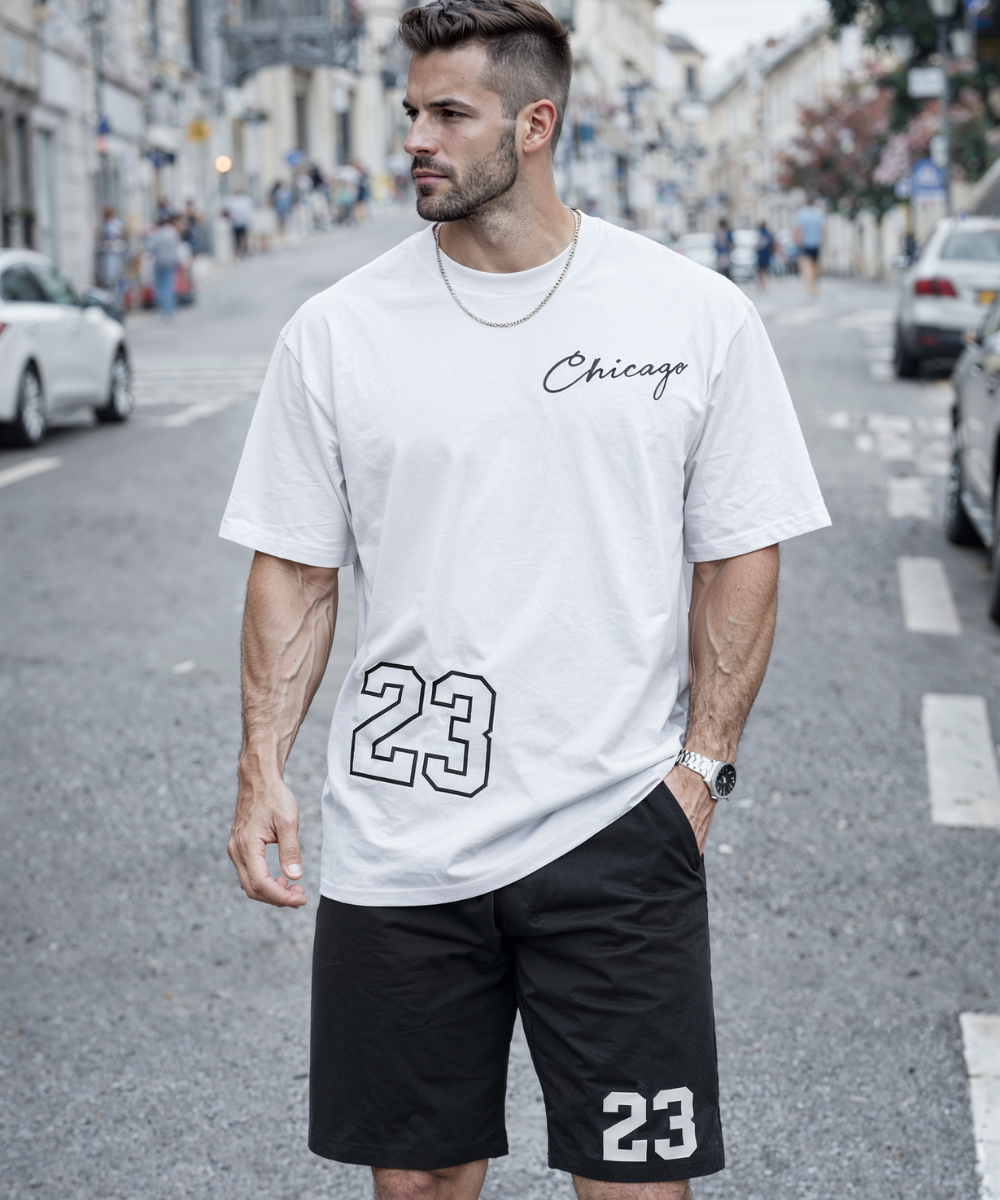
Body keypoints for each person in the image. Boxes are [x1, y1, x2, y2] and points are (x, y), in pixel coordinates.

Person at [220, 3, 831, 1199]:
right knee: (417, 1183)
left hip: (617, 825)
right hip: (402, 835)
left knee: (635, 1185)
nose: (415, 138)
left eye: (449, 113)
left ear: (534, 124)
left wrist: (701, 771)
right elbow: (294, 566)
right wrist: (261, 769)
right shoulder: (337, 332)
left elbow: (738, 552)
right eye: (410, 111)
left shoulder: (689, 314)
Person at [146, 212, 179, 320]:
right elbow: (177, 246)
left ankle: (163, 311)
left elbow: (150, 248)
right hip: (170, 262)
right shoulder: (172, 232)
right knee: (169, 286)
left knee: (161, 288)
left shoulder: (156, 234)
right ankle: (170, 310)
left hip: (159, 262)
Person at [793, 195, 825, 296]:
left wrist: (796, 241)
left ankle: (810, 287)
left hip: (805, 243)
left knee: (806, 266)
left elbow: (799, 229)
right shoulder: (819, 213)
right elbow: (823, 229)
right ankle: (814, 286)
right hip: (816, 243)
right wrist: (821, 241)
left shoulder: (801, 213)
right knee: (814, 265)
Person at [226, 187, 253, 259]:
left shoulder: (244, 199)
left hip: (243, 222)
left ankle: (245, 251)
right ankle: (239, 251)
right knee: (237, 238)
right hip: (235, 222)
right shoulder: (231, 199)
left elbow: (248, 210)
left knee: (244, 237)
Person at [755, 220, 775, 291]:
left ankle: (762, 285)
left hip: (761, 255)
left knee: (761, 271)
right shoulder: (768, 233)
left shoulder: (761, 233)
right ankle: (764, 284)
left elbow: (759, 245)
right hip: (767, 255)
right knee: (765, 270)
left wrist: (755, 247)